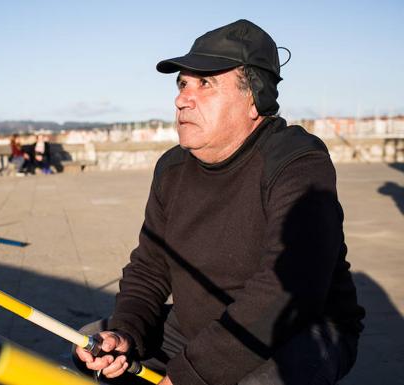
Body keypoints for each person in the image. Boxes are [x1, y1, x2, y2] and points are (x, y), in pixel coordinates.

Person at [74, 19, 364, 385]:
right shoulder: (172, 168)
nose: (182, 98)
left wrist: (192, 373)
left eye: (205, 83)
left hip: (301, 328)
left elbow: (286, 288)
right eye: (182, 83)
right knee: (92, 344)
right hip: (204, 323)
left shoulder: (295, 161)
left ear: (255, 98)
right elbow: (150, 268)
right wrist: (126, 332)